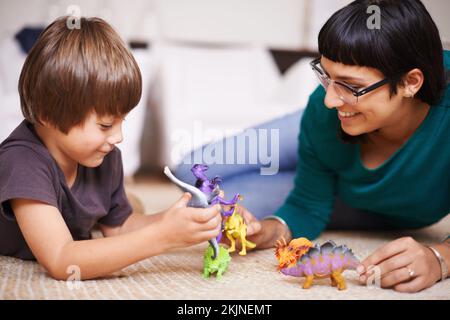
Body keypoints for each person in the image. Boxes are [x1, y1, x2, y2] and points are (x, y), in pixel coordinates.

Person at [176, 0, 450, 293]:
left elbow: (311, 206)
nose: (329, 99)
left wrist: (440, 257)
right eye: (326, 76)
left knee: (214, 201)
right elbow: (307, 203)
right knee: (191, 173)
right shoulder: (325, 109)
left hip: (357, 192)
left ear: (411, 82)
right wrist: (264, 233)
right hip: (328, 137)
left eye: (350, 85)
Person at [0, 16, 222, 280]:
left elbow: (119, 227)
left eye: (122, 121)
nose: (119, 137)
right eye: (105, 125)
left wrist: (175, 221)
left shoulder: (106, 158)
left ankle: (127, 200)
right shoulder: (22, 162)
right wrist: (161, 238)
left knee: (128, 208)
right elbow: (61, 260)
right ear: (48, 114)